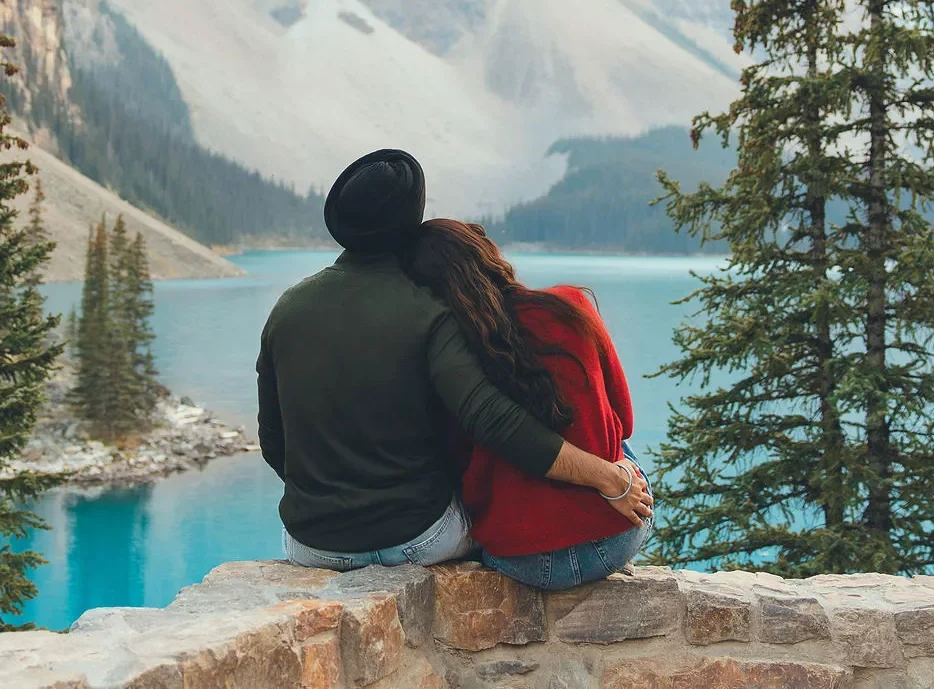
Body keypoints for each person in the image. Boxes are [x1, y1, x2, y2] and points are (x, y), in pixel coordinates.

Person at [258, 149, 651, 570]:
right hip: (418, 540)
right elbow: (496, 423)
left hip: (313, 545)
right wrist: (608, 477)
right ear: (410, 221)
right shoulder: (428, 310)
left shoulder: (287, 308)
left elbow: (272, 439)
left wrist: (330, 505)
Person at [399, 218, 650, 590]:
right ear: (488, 256)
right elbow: (624, 420)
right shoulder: (571, 304)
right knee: (620, 443)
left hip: (518, 558)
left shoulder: (453, 358)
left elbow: (452, 462)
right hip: (612, 538)